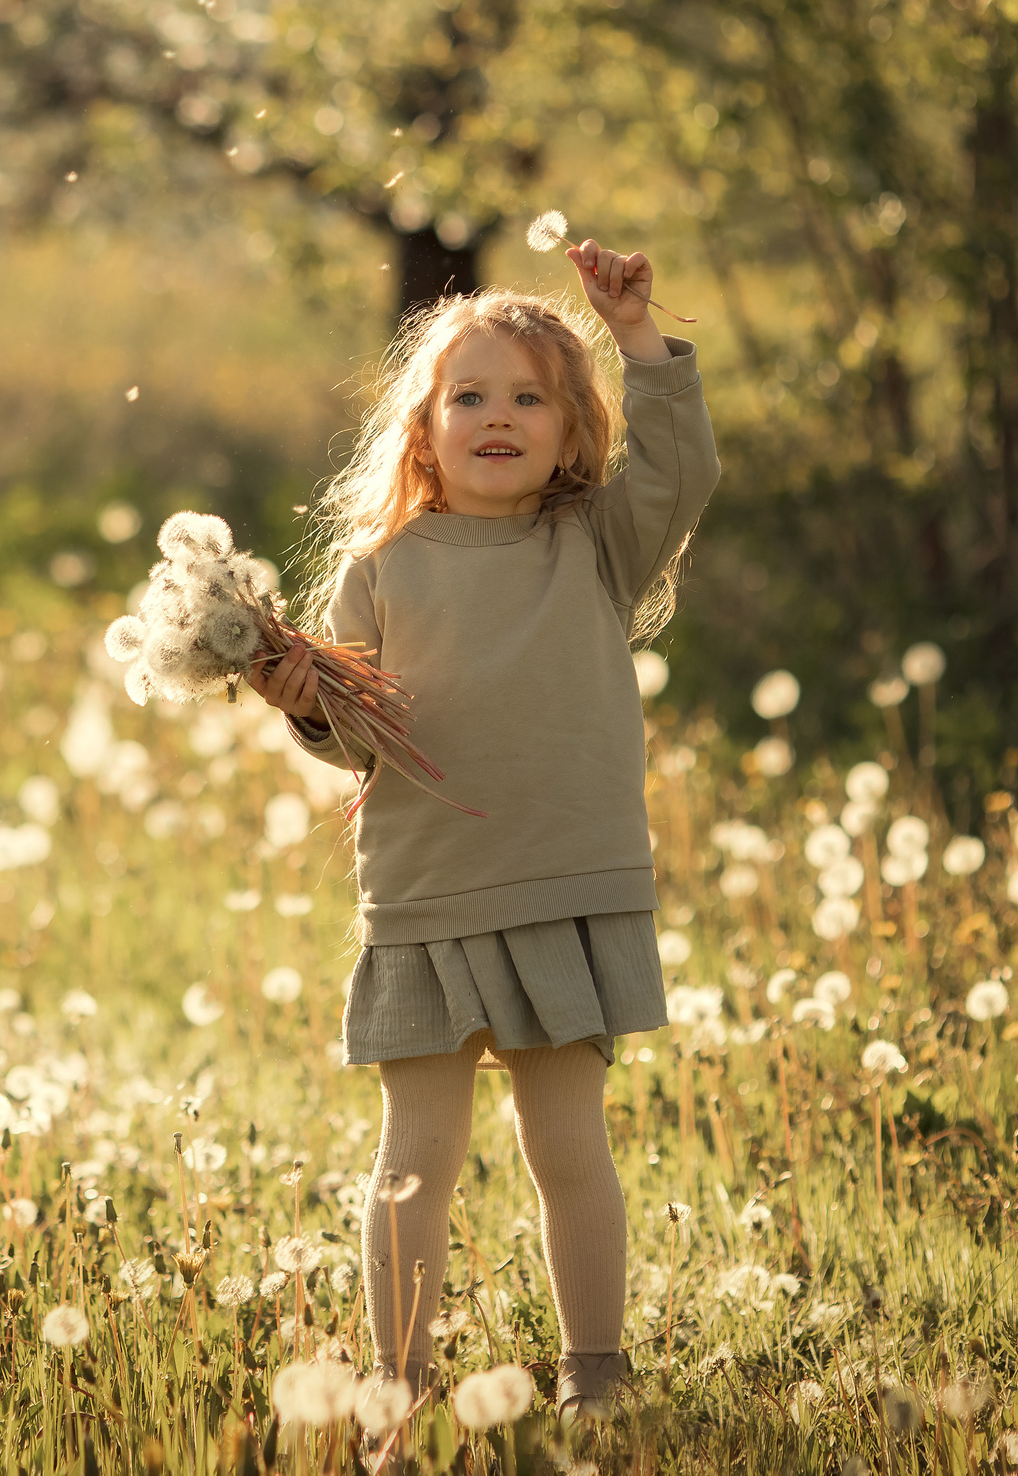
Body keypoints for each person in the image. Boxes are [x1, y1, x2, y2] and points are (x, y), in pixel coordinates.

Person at [244, 239, 719, 1434]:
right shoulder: (380, 569)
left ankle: (594, 1376)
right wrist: (296, 692)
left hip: (566, 884)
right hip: (431, 891)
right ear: (422, 429)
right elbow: (354, 741)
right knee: (415, 1156)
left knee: (568, 1148)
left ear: (572, 436)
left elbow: (685, 466)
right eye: (470, 396)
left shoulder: (595, 546)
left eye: (528, 398)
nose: (497, 416)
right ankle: (395, 1383)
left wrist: (637, 335)